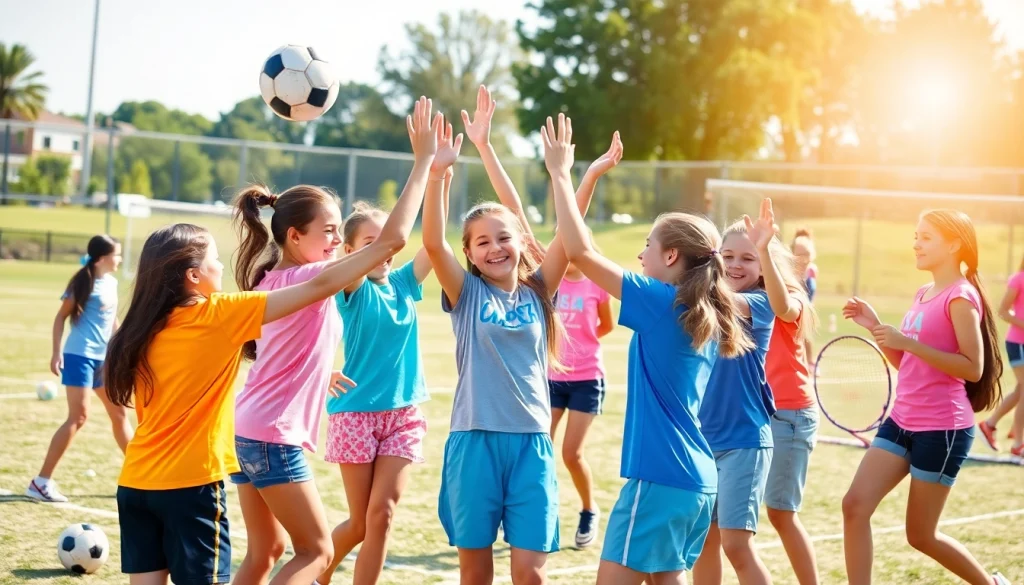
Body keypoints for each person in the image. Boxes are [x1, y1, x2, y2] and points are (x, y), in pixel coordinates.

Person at [104, 96, 441, 585]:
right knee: (317, 552)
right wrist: (423, 163)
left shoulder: (267, 282)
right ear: (294, 237)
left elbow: (283, 346)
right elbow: (391, 242)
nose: (336, 242)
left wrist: (319, 370)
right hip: (271, 437)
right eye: (329, 231)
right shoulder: (306, 281)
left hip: (243, 432)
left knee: (267, 552)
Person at [550, 121, 753, 585]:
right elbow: (583, 249)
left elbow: (578, 251)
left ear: (672, 257)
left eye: (647, 246)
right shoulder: (702, 308)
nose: (641, 256)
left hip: (660, 479)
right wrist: (589, 177)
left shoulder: (663, 301)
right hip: (697, 482)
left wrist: (561, 173)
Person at [459, 85, 622, 547]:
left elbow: (573, 223)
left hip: (579, 381)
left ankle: (574, 510)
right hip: (528, 401)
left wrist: (581, 176)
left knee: (564, 454)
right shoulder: (528, 272)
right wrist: (484, 145)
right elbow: (511, 208)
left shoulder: (545, 279)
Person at [423, 113, 575, 584]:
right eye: (483, 242)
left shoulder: (539, 290)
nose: (495, 248)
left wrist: (560, 174)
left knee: (530, 574)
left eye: (504, 238)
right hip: (475, 441)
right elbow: (433, 243)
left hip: (531, 442)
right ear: (469, 253)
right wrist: (437, 175)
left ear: (521, 242)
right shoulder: (467, 293)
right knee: (476, 573)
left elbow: (570, 238)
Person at [317, 126, 460, 585]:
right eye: (370, 244)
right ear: (349, 251)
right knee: (360, 524)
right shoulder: (351, 287)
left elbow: (434, 243)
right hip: (355, 414)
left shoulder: (402, 284)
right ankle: (318, 572)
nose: (385, 251)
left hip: (403, 415)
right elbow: (389, 244)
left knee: (382, 516)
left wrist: (439, 178)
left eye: (387, 244)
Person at [840, 210, 1009, 585]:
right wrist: (875, 327)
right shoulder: (922, 293)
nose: (916, 244)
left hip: (942, 429)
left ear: (954, 245)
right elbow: (909, 364)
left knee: (920, 536)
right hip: (902, 420)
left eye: (926, 237)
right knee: (854, 506)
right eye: (916, 236)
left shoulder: (961, 297)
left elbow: (973, 368)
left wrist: (908, 342)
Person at [693, 204, 779, 585]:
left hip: (744, 441)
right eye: (727, 256)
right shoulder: (703, 308)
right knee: (703, 543)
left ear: (762, 268)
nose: (735, 265)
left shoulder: (761, 304)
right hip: (703, 440)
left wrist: (684, 269)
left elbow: (722, 299)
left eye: (748, 258)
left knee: (736, 545)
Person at [27, 234, 132, 503]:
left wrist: (121, 345)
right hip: (79, 356)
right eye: (116, 254)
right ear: (102, 258)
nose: (120, 259)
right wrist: (56, 352)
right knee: (79, 417)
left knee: (119, 414)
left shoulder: (112, 282)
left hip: (103, 359)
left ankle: (141, 476)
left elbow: (111, 320)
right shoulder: (83, 282)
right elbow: (60, 317)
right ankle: (41, 482)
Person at [761, 204, 822, 585]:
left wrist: (763, 250)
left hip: (790, 415)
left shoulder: (793, 295)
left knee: (781, 513)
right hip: (758, 414)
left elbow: (783, 308)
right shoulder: (744, 296)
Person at [977, 255, 1024, 454]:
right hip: (1018, 343)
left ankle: (990, 425)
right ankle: (1018, 444)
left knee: (1021, 390)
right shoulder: (1019, 279)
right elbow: (1003, 311)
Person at [792, 229, 818, 363]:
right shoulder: (789, 273)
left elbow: (811, 293)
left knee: (806, 336)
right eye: (800, 255)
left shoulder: (812, 271)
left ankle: (810, 363)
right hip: (793, 315)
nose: (803, 259)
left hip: (806, 311)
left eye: (807, 254)